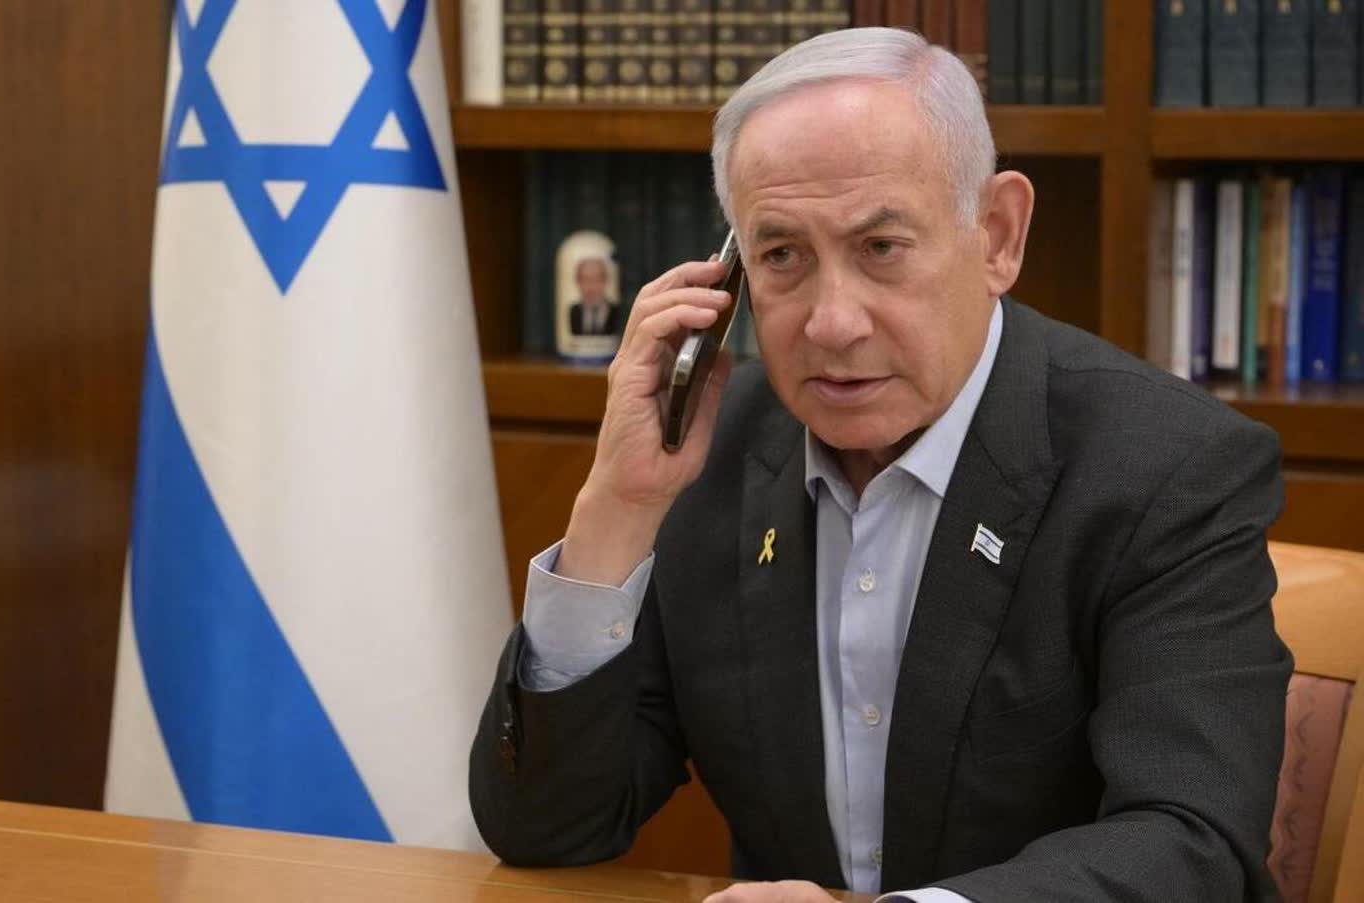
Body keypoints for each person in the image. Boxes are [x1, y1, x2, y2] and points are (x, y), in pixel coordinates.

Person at [468, 27, 1291, 903]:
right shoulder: (712, 454)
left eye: (881, 248)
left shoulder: (1166, 467)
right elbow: (546, 827)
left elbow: (1193, 844)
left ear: (998, 236)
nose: (832, 323)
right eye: (782, 256)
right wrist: (618, 508)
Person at [567, 256, 622, 336]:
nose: (591, 286)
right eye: (585, 280)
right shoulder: (574, 311)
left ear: (605, 281)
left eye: (596, 279)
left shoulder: (617, 311)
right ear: (578, 283)